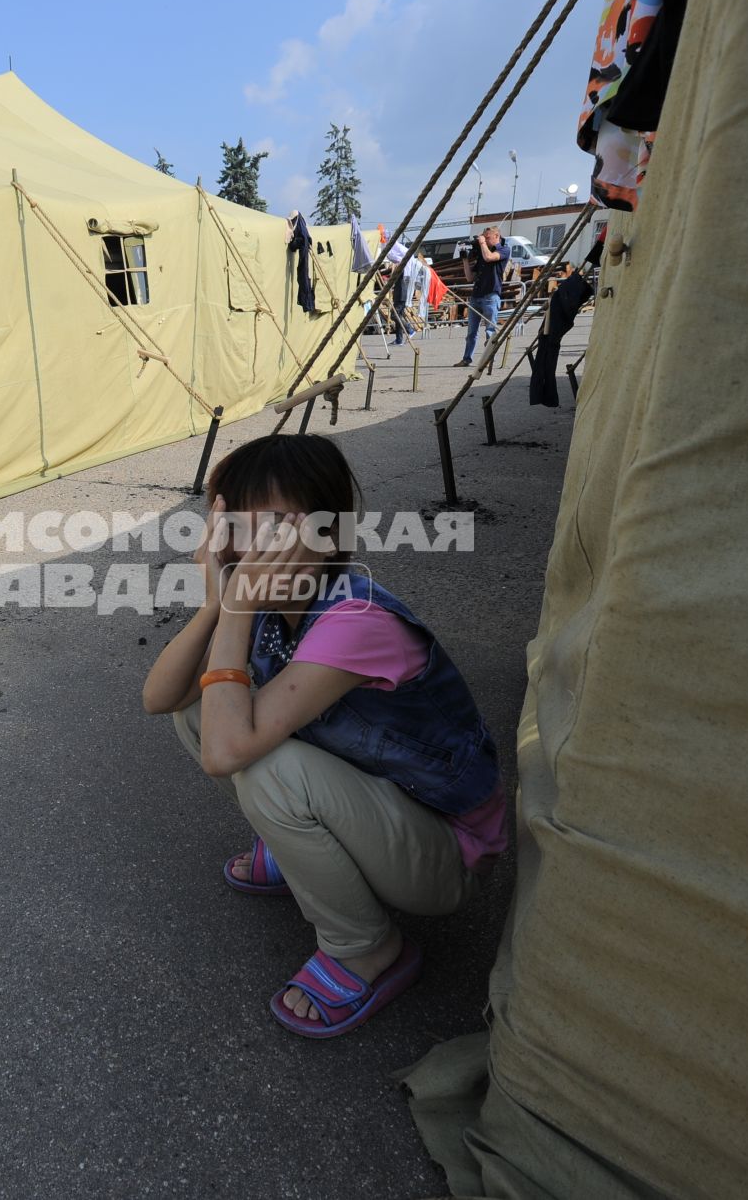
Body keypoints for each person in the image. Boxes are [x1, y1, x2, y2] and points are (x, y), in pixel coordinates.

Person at [140, 435, 508, 1038]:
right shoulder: (268, 601)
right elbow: (160, 700)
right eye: (231, 522)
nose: (247, 543)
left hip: (446, 856)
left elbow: (228, 756)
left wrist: (235, 606)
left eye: (275, 524)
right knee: (202, 711)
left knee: (257, 762)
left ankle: (365, 948)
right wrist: (216, 604)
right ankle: (302, 856)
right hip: (378, 808)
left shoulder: (357, 620)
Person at [457, 226, 509, 368]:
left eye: (487, 237)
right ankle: (467, 359)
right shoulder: (482, 252)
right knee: (471, 332)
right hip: (476, 296)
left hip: (491, 296)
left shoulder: (503, 249)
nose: (484, 240)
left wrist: (481, 243)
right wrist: (465, 260)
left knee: (489, 331)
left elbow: (489, 257)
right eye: (483, 237)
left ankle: (488, 360)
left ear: (496, 236)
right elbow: (469, 277)